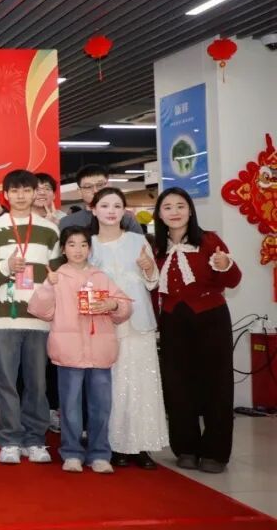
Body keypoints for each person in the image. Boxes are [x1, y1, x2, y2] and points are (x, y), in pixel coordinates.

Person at [29, 226, 132, 473]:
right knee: (70, 406)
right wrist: (48, 286)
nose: (78, 250)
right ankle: (71, 452)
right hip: (69, 352)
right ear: (63, 249)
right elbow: (39, 310)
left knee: (101, 406)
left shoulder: (101, 276)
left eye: (83, 244)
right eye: (72, 244)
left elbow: (125, 307)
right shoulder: (57, 277)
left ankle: (99, 454)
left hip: (100, 351)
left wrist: (113, 304)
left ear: (90, 248)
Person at [153, 187, 241, 474]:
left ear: (190, 210)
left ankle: (215, 452)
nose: (175, 212)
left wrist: (225, 265)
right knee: (177, 385)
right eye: (168, 207)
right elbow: (153, 287)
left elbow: (233, 280)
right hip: (172, 321)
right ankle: (186, 448)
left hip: (210, 318)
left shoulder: (209, 240)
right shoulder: (156, 247)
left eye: (180, 206)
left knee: (217, 385)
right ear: (159, 214)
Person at [0, 169, 60, 465]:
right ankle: (10, 439)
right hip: (3, 317)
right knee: (7, 382)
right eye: (15, 191)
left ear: (35, 193)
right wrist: (6, 266)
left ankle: (35, 439)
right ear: (5, 195)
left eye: (27, 190)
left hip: (39, 317)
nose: (21, 196)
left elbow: (57, 272)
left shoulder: (50, 230)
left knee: (37, 383)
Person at [88, 187, 168, 469]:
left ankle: (142, 445)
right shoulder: (88, 245)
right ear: (93, 210)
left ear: (125, 211)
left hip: (139, 322)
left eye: (116, 206)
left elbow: (153, 282)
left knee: (142, 384)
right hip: (103, 323)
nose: (111, 211)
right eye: (104, 205)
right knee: (110, 385)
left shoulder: (137, 240)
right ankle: (114, 445)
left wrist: (148, 268)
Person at [35, 172, 66, 433]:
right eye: (36, 188)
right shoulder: (17, 222)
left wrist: (57, 229)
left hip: (59, 299)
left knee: (55, 358)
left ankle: (53, 410)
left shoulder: (63, 221)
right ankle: (30, 413)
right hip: (27, 300)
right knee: (30, 363)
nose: (41, 192)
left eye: (46, 188)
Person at [58, 164, 143, 234]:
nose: (95, 190)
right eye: (88, 186)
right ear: (79, 191)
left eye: (100, 185)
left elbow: (141, 247)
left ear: (108, 186)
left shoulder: (126, 219)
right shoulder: (67, 222)